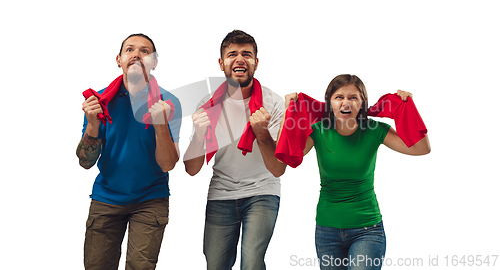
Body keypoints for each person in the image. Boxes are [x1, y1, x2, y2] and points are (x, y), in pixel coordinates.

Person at [280, 74, 431, 270]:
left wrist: (408, 108)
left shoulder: (374, 129)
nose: (346, 102)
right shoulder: (318, 130)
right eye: (339, 97)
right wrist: (288, 112)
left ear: (362, 103)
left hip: (367, 229)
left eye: (353, 97)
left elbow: (421, 148)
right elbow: (287, 155)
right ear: (330, 103)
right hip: (327, 230)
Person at [76, 33, 182, 270]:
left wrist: (160, 124)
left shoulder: (168, 102)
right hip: (107, 196)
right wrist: (92, 124)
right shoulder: (100, 101)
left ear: (154, 62)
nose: (136, 54)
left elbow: (167, 165)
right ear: (119, 59)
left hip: (150, 198)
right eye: (130, 50)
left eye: (145, 51)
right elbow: (85, 162)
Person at [183, 30, 286, 270]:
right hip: (221, 193)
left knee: (251, 263)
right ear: (221, 63)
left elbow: (278, 168)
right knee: (215, 265)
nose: (239, 59)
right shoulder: (207, 105)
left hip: (262, 190)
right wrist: (199, 135)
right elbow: (191, 169)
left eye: (247, 54)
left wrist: (261, 132)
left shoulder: (274, 103)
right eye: (232, 54)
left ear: (256, 63)